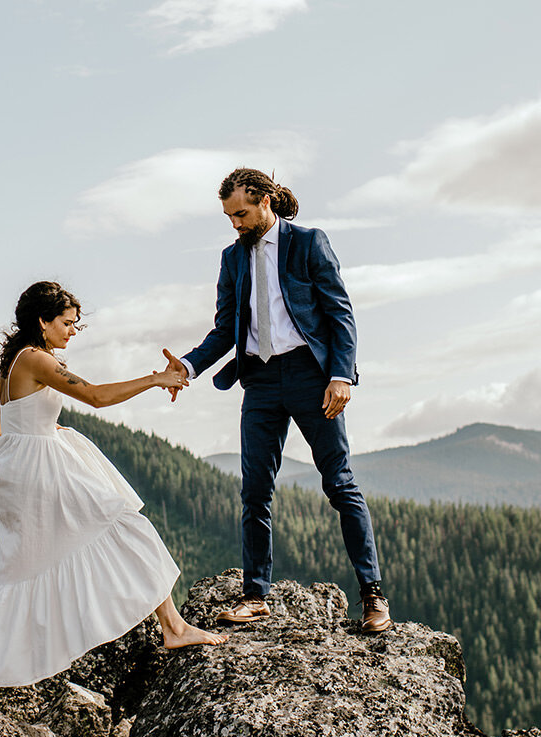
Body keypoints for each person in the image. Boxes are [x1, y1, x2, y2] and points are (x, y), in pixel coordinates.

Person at [0, 280, 225, 711]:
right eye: (67, 323)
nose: (73, 331)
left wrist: (40, 428)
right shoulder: (38, 359)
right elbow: (96, 397)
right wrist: (157, 379)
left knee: (19, 574)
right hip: (43, 475)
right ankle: (172, 627)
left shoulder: (12, 363)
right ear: (42, 322)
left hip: (21, 474)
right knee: (124, 525)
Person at [164, 168, 392, 633]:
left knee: (339, 483)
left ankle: (373, 596)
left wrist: (341, 375)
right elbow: (224, 329)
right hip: (261, 381)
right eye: (229, 217)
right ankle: (256, 595)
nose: (235, 224)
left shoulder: (309, 243)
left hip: (313, 376)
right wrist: (185, 367)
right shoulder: (231, 259)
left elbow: (339, 313)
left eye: (242, 214)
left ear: (266, 200)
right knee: (254, 490)